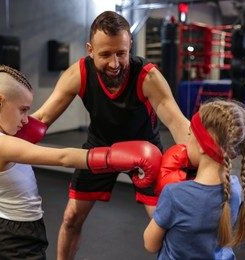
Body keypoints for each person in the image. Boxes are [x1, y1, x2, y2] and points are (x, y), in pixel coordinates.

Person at [31, 10, 190, 259]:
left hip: (145, 151)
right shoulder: (78, 73)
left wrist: (208, 162)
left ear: (130, 47)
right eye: (105, 54)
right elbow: (41, 119)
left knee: (165, 228)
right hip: (100, 147)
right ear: (90, 50)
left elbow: (179, 124)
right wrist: (1, 138)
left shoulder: (148, 77)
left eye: (121, 53)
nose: (115, 64)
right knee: (71, 218)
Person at [0, 65, 162, 259]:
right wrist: (112, 157)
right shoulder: (0, 145)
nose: (25, 119)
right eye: (22, 110)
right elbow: (63, 157)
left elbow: (33, 124)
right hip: (16, 233)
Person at [144, 99, 245, 259]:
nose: (186, 140)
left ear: (202, 146)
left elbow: (150, 244)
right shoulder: (236, 189)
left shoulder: (175, 194)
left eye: (190, 134)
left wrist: (147, 187)